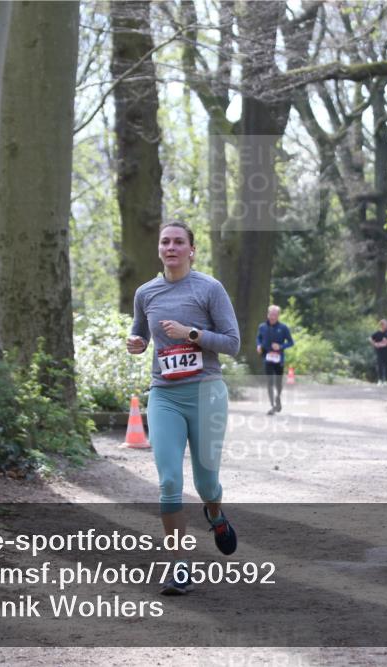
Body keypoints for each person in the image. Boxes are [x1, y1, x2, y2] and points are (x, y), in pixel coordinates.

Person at [126, 221, 241, 596]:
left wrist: (190, 333)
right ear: (158, 249)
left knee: (206, 482)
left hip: (206, 392)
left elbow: (233, 343)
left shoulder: (209, 288)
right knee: (170, 482)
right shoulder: (146, 292)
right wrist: (138, 341)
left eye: (178, 242)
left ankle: (215, 513)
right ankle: (179, 565)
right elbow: (140, 330)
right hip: (165, 395)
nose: (171, 247)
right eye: (165, 242)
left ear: (192, 249)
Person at [256, 305, 294, 415]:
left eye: (275, 315)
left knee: (278, 383)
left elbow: (291, 342)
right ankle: (272, 406)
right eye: (270, 314)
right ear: (268, 314)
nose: (272, 317)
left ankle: (278, 400)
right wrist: (258, 345)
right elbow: (258, 338)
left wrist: (281, 346)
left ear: (278, 316)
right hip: (267, 359)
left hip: (279, 360)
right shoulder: (262, 327)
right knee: (269, 382)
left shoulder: (283, 328)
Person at [370, 318, 387, 385]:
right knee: (379, 366)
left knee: (386, 366)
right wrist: (375, 344)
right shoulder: (377, 333)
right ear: (381, 325)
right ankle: (380, 380)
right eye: (385, 324)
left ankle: (386, 381)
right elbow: (371, 339)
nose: (386, 326)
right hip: (379, 352)